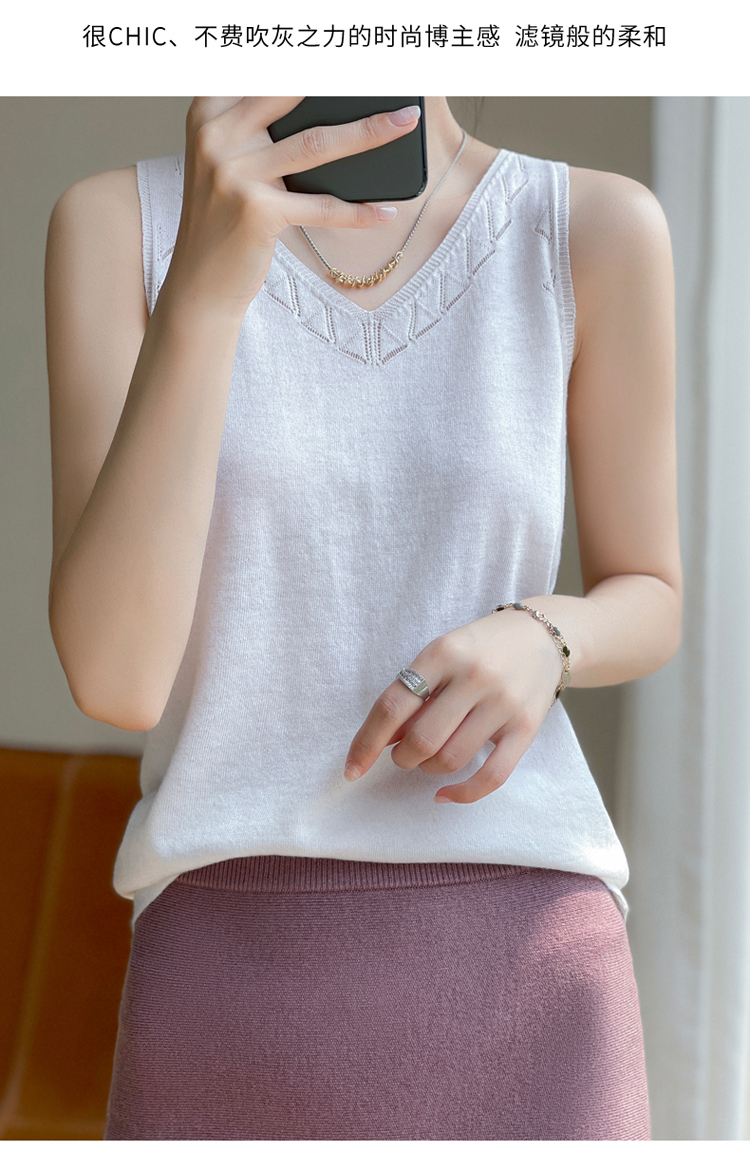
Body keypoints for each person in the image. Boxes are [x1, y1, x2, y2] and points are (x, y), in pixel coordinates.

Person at [44, 97, 681, 1140]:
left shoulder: (587, 226)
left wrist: (544, 635)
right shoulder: (122, 225)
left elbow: (649, 592)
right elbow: (117, 676)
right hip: (227, 982)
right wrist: (207, 289)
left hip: (531, 968)